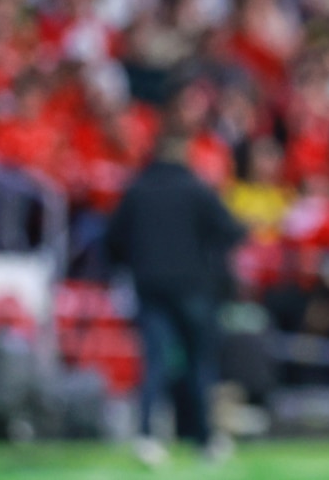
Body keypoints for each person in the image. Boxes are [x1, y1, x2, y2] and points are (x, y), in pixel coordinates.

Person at [105, 127, 247, 466]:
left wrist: (138, 264)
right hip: (193, 288)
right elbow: (233, 231)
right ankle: (205, 439)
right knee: (200, 362)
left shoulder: (137, 190)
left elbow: (112, 242)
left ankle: (147, 437)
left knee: (154, 362)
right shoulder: (196, 189)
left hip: (150, 287)